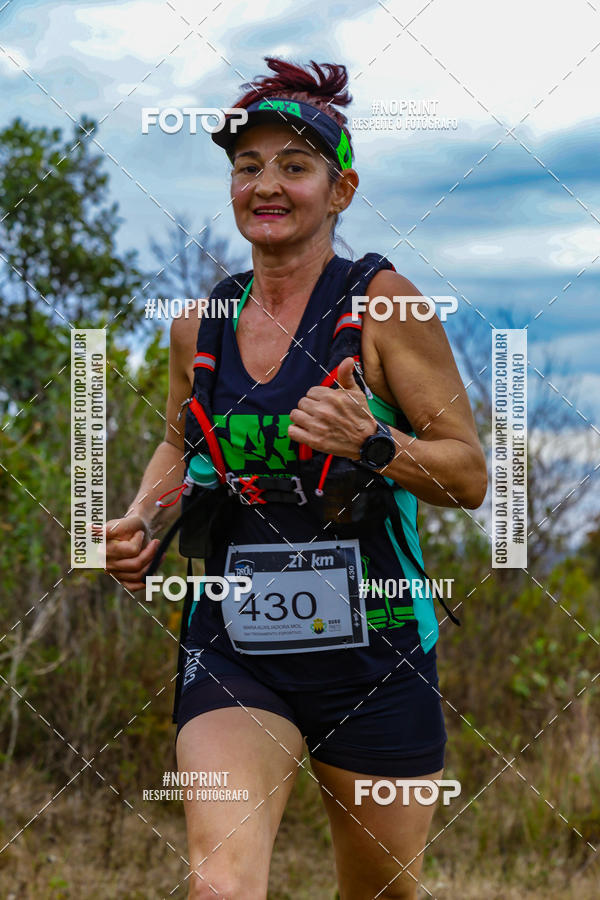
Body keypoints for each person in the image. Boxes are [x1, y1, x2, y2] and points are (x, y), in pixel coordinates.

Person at [103, 57, 487, 900]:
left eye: (294, 166)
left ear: (340, 190)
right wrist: (140, 520)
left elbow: (468, 474)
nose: (266, 185)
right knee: (220, 883)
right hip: (235, 642)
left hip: (377, 646)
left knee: (380, 891)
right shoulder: (200, 323)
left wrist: (375, 442)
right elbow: (182, 448)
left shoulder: (385, 306)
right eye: (248, 168)